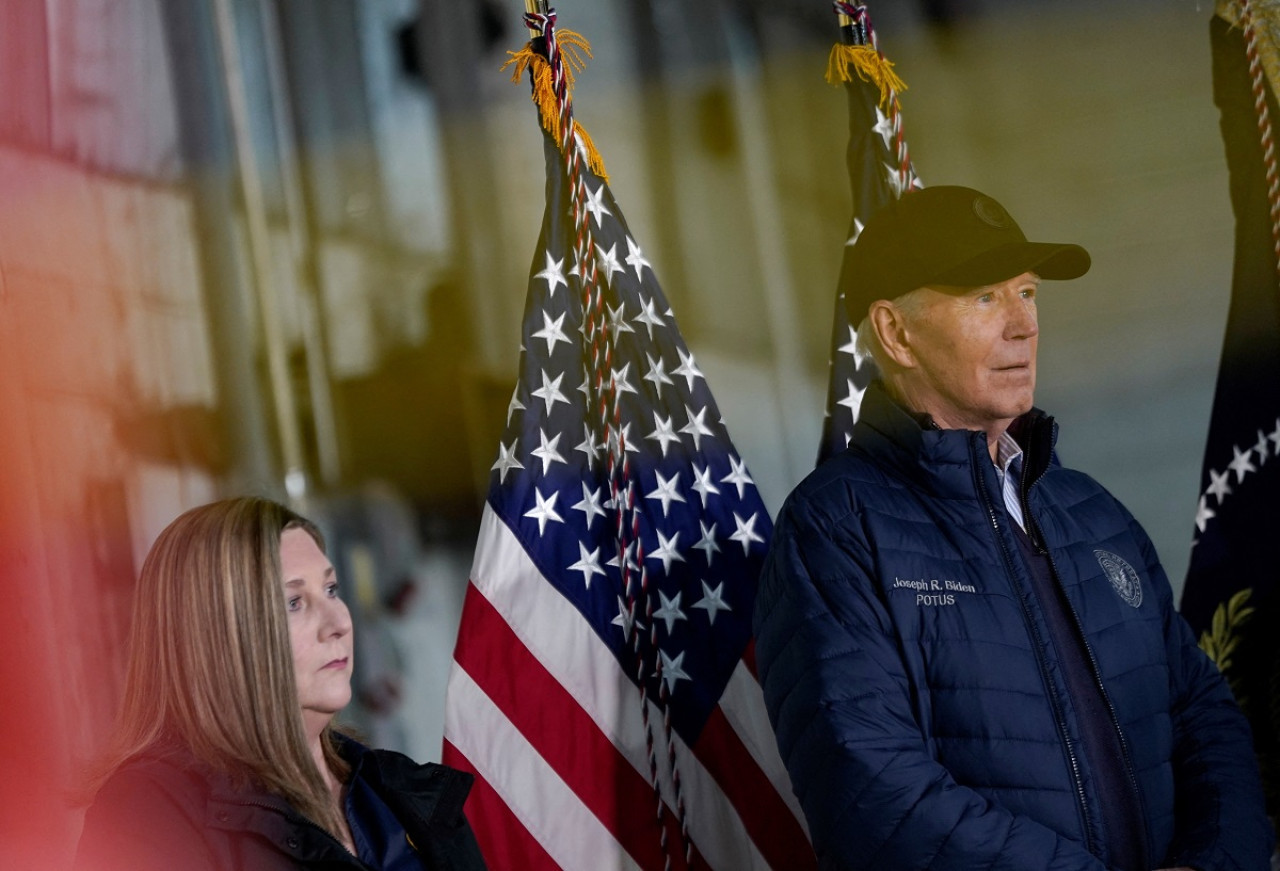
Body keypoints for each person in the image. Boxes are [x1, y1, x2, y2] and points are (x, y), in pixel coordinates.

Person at [754, 185, 1273, 870]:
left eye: (1027, 293)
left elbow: (1206, 716)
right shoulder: (833, 530)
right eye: (984, 298)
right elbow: (874, 792)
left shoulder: (1094, 514)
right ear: (895, 332)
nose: (1024, 324)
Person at [74, 497, 487, 871]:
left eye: (331, 589)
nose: (339, 623)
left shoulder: (402, 793)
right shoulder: (149, 810)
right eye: (294, 602)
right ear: (216, 638)